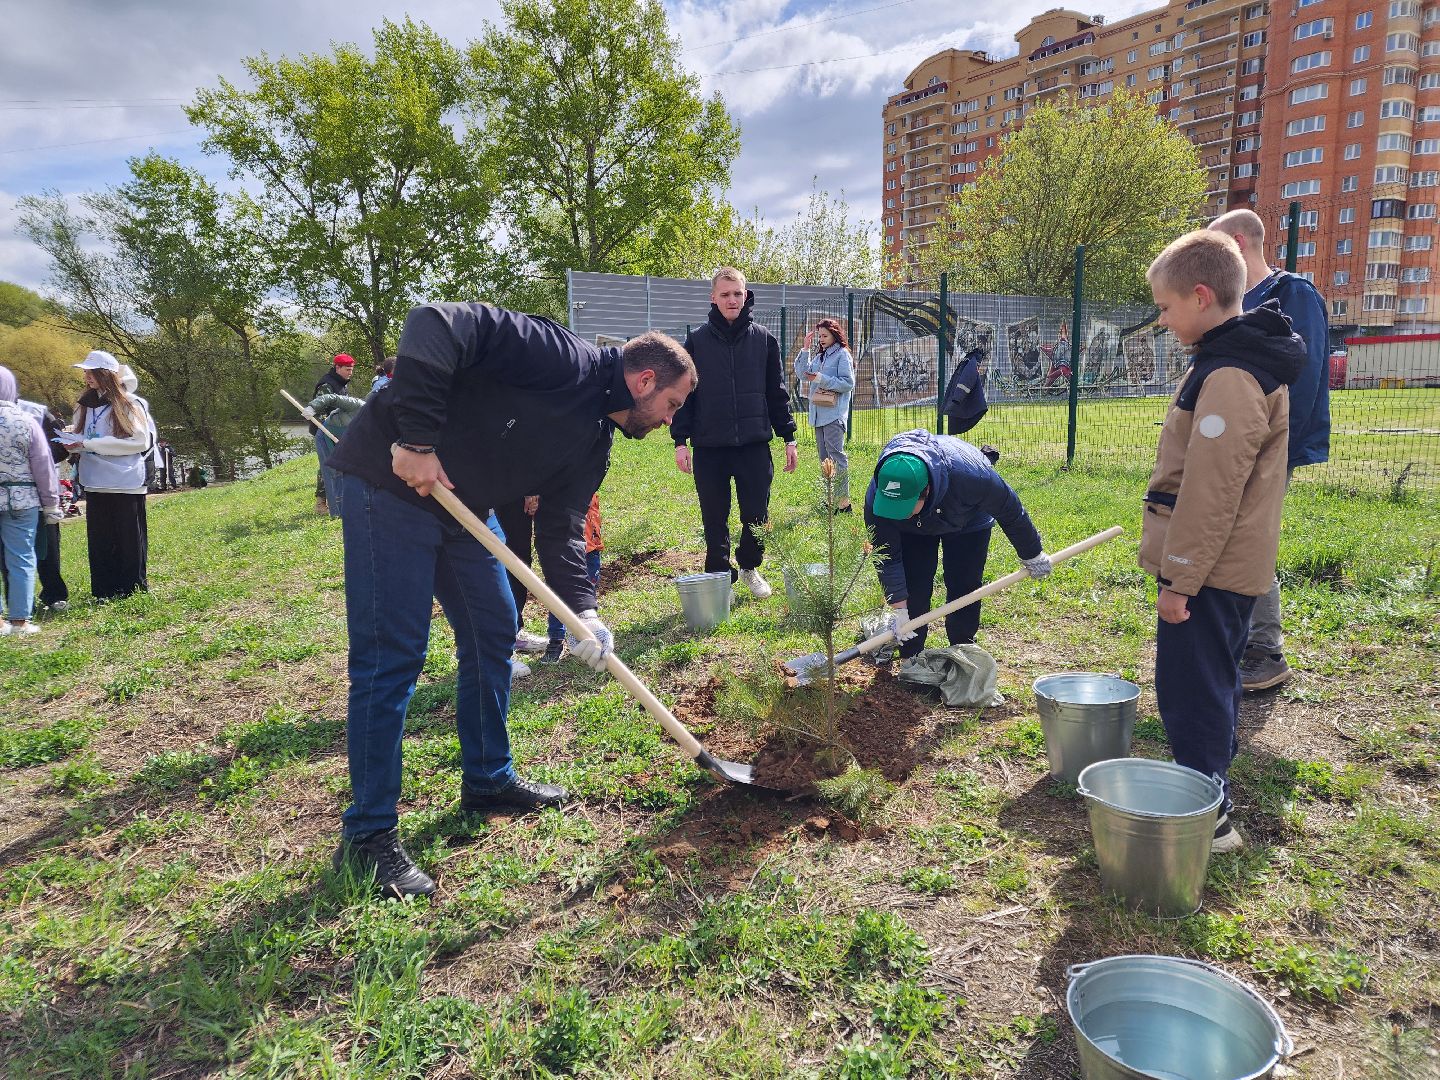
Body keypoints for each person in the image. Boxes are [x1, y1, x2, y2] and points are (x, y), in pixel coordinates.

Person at [326, 303, 695, 898]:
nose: (667, 420)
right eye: (672, 405)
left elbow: (563, 523)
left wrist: (584, 611)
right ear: (645, 381)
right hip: (389, 484)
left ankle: (488, 779)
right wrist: (415, 438)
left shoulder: (593, 440)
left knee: (494, 629)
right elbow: (432, 324)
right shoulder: (558, 355)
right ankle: (368, 838)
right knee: (391, 655)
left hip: (462, 510)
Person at [1141, 230, 1303, 853]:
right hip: (1224, 565)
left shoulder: (1231, 375)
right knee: (1211, 679)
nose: (1162, 317)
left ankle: (1207, 819)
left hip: (1209, 570)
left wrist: (1180, 580)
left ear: (1201, 295)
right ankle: (1208, 789)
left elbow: (1211, 492)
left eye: (1165, 306)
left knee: (1191, 688)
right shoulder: (1233, 360)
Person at [1208, 210, 1331, 692]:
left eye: (1215, 250)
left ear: (1238, 243)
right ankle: (1237, 641)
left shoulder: (1290, 295)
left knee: (1249, 541)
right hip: (1231, 445)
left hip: (1266, 448)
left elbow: (1302, 378)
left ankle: (1265, 649)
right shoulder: (1236, 302)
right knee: (1225, 538)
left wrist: (1270, 450)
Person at [865, 429, 1052, 661]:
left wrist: (1032, 554)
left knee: (964, 584)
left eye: (903, 508)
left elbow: (1010, 511)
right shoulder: (880, 498)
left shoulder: (973, 477)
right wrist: (900, 610)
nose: (897, 514)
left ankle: (963, 649)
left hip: (968, 519)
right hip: (914, 529)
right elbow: (888, 556)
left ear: (926, 491)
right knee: (915, 585)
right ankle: (911, 657)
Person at [672, 268, 797, 598]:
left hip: (753, 445)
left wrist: (789, 437)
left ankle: (750, 567)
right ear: (713, 297)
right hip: (710, 446)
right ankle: (718, 577)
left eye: (737, 293)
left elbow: (776, 392)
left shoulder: (764, 340)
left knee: (756, 513)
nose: (732, 300)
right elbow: (685, 395)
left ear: (746, 295)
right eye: (725, 294)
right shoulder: (696, 342)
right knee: (714, 516)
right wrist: (680, 442)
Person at [61, 351, 151, 601]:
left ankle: (132, 588)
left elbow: (140, 442)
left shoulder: (128, 403)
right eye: (85, 371)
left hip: (124, 481)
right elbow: (82, 437)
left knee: (128, 538)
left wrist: (92, 445)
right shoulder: (84, 405)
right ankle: (105, 590)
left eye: (91, 371)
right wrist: (74, 444)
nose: (86, 376)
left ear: (107, 374)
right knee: (100, 539)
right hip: (95, 481)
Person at [497, 493, 604, 669]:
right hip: (519, 495)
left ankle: (578, 635)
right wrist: (529, 490)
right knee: (516, 564)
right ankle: (547, 639)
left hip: (585, 540)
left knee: (570, 584)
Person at [0, 366, 62, 637]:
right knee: (22, 557)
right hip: (21, 499)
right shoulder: (26, 421)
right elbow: (44, 467)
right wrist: (51, 505)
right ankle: (20, 621)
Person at [14, 391, 71, 611]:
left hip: (40, 489)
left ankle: (54, 593)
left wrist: (36, 461)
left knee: (47, 546)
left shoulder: (38, 412)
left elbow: (61, 446)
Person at [793, 318, 856, 512]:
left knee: (836, 456)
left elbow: (848, 383)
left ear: (835, 334)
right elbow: (802, 374)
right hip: (818, 415)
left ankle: (843, 503)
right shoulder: (820, 357)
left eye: (824, 335)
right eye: (819, 336)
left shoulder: (842, 355)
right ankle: (830, 500)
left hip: (834, 415)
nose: (821, 339)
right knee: (824, 459)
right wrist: (805, 349)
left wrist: (821, 379)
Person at [301, 388, 367, 519]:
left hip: (343, 440)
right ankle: (337, 513)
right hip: (326, 435)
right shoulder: (357, 405)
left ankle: (349, 508)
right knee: (333, 473)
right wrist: (313, 407)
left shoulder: (375, 423)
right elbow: (332, 398)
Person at [312, 354, 355, 514]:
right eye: (347, 369)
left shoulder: (341, 384)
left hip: (339, 430)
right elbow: (320, 410)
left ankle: (340, 499)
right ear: (337, 368)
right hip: (325, 431)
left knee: (337, 464)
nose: (350, 373)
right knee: (327, 465)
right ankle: (321, 503)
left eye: (352, 369)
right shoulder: (326, 384)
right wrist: (329, 432)